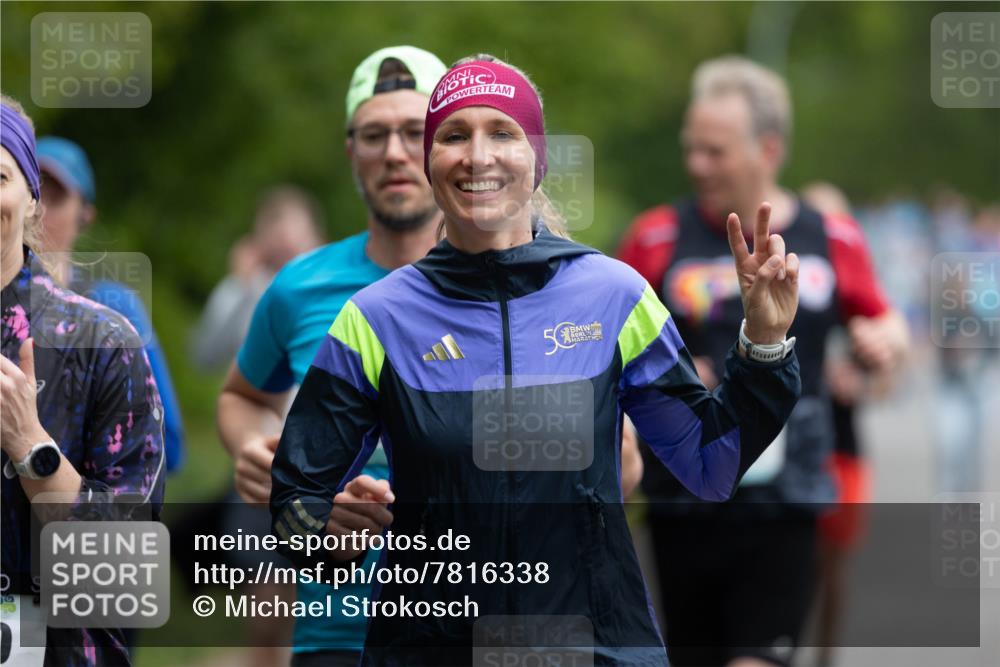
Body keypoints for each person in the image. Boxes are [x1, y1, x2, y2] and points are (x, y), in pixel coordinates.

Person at [269, 53, 802, 666]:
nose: (478, 155)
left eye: (503, 132)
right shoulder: (377, 319)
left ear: (536, 158)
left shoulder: (614, 296)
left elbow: (711, 462)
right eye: (453, 135)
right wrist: (330, 535)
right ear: (429, 161)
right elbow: (293, 507)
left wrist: (762, 342)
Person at [617, 57, 907, 666]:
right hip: (684, 503)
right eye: (691, 149)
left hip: (787, 500)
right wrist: (667, 381)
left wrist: (884, 340)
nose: (697, 165)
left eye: (715, 151)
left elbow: (885, 319)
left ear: (768, 149)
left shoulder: (834, 237)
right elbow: (605, 345)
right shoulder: (655, 237)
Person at [216, 46, 448, 667]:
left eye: (413, 132)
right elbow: (241, 395)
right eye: (374, 134)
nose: (394, 153)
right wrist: (250, 448)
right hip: (335, 629)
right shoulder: (298, 287)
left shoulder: (504, 284)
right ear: (352, 151)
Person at [1, 95, 165, 665]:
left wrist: (30, 447)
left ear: (30, 201)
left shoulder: (102, 341)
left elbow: (124, 572)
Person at [35, 136, 186, 473]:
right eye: (32, 189)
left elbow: (167, 444)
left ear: (85, 214)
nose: (39, 207)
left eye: (56, 196)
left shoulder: (113, 308)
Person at [191, 185, 325, 372]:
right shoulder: (238, 287)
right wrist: (241, 287)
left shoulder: (335, 292)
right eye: (277, 235)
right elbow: (204, 357)